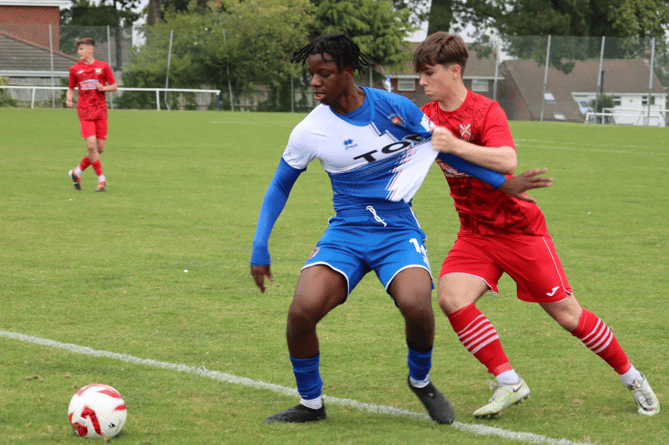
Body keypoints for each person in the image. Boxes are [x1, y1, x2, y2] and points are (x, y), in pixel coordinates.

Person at [249, 33, 550, 425]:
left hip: (396, 232)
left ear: (347, 72)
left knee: (417, 306)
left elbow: (439, 147)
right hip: (347, 233)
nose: (315, 82)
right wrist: (260, 246)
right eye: (311, 75)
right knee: (302, 311)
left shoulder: (393, 107)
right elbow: (279, 185)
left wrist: (501, 183)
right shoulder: (309, 131)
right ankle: (310, 404)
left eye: (324, 74)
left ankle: (420, 381)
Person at [413, 31, 660, 418]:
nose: (422, 83)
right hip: (475, 233)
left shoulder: (486, 110)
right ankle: (509, 381)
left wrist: (456, 146)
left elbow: (507, 160)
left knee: (568, 316)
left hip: (519, 231)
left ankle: (632, 377)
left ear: (454, 70)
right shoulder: (427, 117)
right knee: (451, 297)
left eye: (428, 74)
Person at [66, 37, 117, 192]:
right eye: (78, 49)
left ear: (91, 50)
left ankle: (77, 172)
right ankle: (101, 179)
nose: (79, 52)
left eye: (82, 49)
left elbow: (114, 86)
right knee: (91, 146)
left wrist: (104, 89)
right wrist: (69, 98)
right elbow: (71, 88)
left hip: (100, 111)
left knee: (99, 149)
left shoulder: (104, 66)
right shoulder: (74, 69)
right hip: (85, 111)